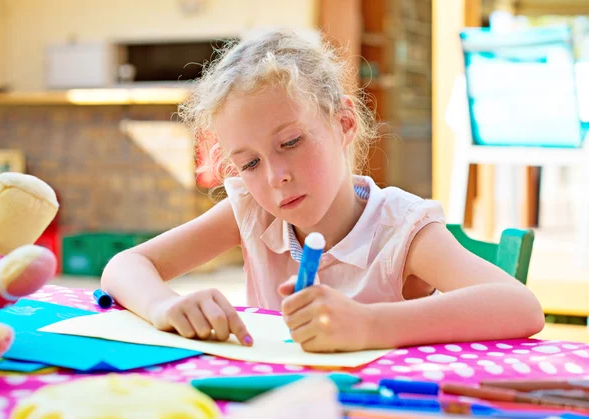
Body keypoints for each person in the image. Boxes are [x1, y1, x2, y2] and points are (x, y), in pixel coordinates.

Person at [101, 28, 544, 353]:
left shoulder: (400, 229)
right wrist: (164, 307)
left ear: (344, 123)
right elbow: (126, 265)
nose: (275, 177)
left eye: (291, 142)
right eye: (249, 163)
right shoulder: (254, 213)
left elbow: (520, 307)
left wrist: (371, 324)